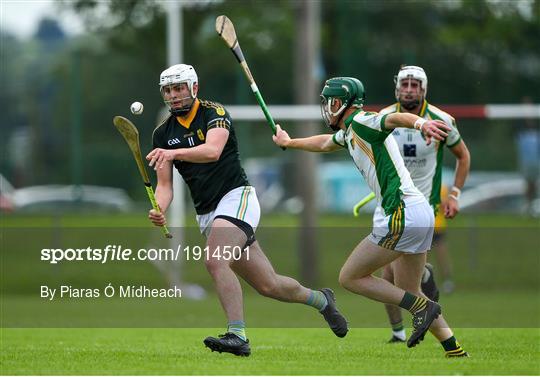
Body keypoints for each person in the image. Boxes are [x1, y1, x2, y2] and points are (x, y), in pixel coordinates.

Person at [145, 64, 348, 357]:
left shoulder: (215, 114)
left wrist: (174, 153)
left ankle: (237, 335)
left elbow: (212, 151)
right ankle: (322, 301)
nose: (174, 96)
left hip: (236, 198)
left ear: (194, 88)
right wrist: (159, 208)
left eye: (179, 88)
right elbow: (165, 186)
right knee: (269, 285)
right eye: (168, 90)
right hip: (208, 213)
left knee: (215, 261)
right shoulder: (163, 134)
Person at [273, 77, 468, 357]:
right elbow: (326, 143)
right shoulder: (350, 130)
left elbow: (391, 118)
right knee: (409, 289)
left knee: (350, 277)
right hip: (420, 212)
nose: (327, 108)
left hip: (402, 213)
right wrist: (290, 142)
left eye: (329, 102)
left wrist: (420, 123)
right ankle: (454, 349)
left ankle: (420, 309)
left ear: (340, 103)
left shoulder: (364, 121)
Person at [379, 66, 471, 342]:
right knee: (386, 276)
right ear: (397, 88)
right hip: (390, 205)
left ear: (424, 90)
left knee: (393, 272)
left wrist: (454, 194)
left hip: (422, 207)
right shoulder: (383, 118)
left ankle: (425, 315)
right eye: (405, 84)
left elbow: (463, 156)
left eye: (415, 85)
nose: (409, 89)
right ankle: (400, 330)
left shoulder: (442, 120)